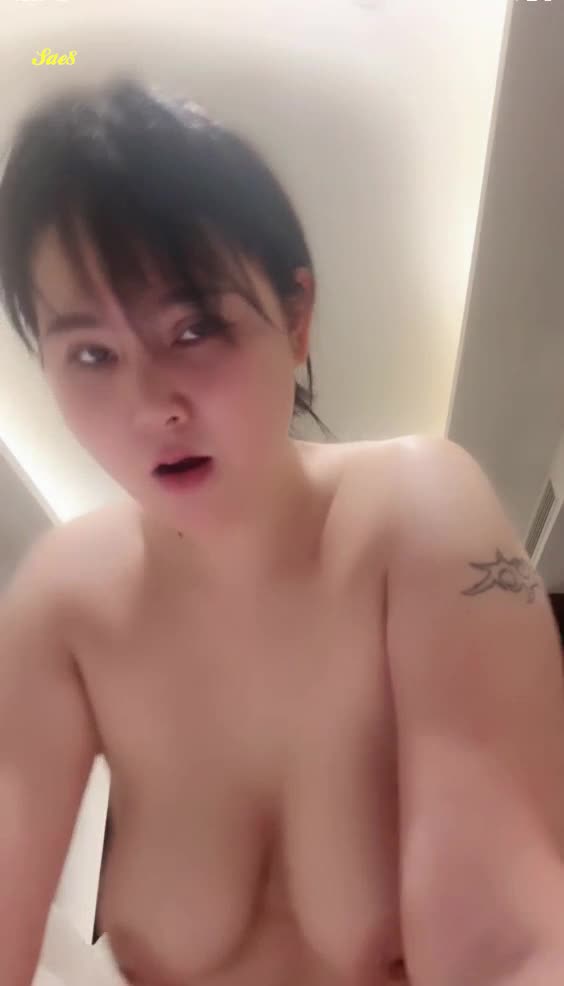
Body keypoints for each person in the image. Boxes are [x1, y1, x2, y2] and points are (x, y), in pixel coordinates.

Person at [1, 76, 564, 986]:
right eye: (92, 354)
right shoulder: (61, 607)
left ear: (296, 318)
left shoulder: (418, 515)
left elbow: (506, 943)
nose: (150, 406)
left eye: (194, 329)